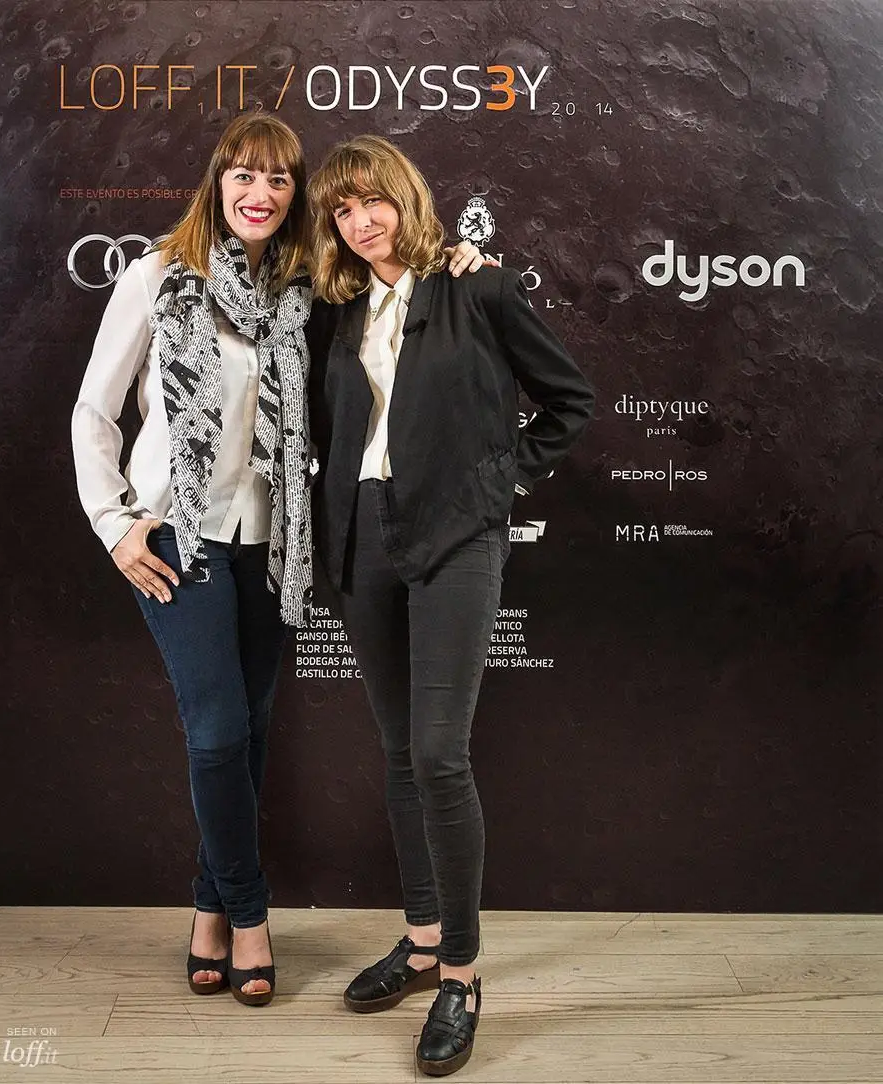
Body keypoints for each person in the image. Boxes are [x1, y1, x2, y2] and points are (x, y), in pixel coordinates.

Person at [71, 113, 485, 1008]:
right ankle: (251, 916)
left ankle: (207, 908)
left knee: (251, 731)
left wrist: (458, 261)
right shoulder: (157, 276)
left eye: (280, 180)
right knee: (218, 730)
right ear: (217, 182)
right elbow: (94, 412)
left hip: (271, 543)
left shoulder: (306, 292)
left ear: (296, 196)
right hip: (175, 535)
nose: (260, 194)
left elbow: (399, 296)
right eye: (244, 176)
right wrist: (114, 522)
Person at [306, 135, 594, 1074]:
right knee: (399, 752)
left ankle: (463, 976)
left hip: (457, 535)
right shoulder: (335, 308)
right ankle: (423, 941)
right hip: (362, 537)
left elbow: (569, 401)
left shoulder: (479, 289)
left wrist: (495, 487)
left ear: (406, 197)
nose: (362, 221)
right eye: (343, 209)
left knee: (438, 752)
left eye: (374, 201)